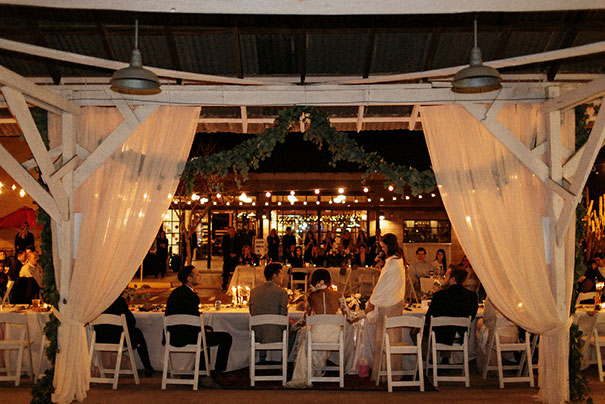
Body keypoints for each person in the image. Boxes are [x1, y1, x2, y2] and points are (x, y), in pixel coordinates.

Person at [165, 265, 233, 385]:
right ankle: (218, 371)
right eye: (197, 274)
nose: (200, 276)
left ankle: (202, 368)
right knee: (226, 338)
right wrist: (202, 329)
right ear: (189, 278)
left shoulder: (175, 292)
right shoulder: (191, 296)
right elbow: (193, 319)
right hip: (187, 335)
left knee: (208, 330)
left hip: (173, 335)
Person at [287, 268, 344, 388]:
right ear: (328, 281)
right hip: (334, 337)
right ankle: (318, 369)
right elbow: (350, 316)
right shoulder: (338, 295)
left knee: (305, 336)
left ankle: (308, 373)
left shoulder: (311, 296)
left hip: (316, 337)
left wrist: (293, 326)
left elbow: (304, 320)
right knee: (308, 334)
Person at [364, 233, 406, 382]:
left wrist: (371, 302)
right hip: (396, 303)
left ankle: (383, 374)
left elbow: (381, 286)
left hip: (387, 306)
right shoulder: (399, 261)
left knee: (383, 340)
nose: (382, 249)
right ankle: (393, 373)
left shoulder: (392, 263)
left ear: (388, 246)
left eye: (383, 247)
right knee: (394, 338)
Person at [94, 294, 155, 377]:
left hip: (100, 338)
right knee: (137, 334)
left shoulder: (97, 301)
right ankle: (147, 367)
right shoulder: (119, 301)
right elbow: (131, 322)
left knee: (135, 333)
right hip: (117, 339)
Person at [425, 266, 479, 345]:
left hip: (440, 334)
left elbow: (429, 318)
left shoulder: (440, 295)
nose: (444, 278)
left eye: (446, 275)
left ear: (452, 279)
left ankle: (427, 353)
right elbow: (472, 315)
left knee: (416, 332)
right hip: (461, 333)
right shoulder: (472, 296)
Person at [249, 263, 288, 361]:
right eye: (281, 274)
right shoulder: (282, 292)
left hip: (257, 333)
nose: (283, 277)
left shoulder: (254, 292)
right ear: (275, 276)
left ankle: (262, 358)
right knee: (295, 329)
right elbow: (283, 318)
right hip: (274, 334)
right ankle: (284, 360)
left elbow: (252, 312)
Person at [475, 298, 519, 373]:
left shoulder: (491, 298)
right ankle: (506, 360)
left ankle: (488, 365)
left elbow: (486, 320)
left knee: (481, 326)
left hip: (497, 337)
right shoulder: (514, 298)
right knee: (486, 330)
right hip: (514, 336)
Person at [221, 227, 241, 291]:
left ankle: (235, 284)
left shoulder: (238, 238)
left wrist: (236, 254)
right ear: (228, 231)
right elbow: (223, 247)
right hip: (227, 257)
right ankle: (225, 284)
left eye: (233, 231)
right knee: (226, 271)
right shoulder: (225, 238)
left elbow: (239, 247)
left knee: (235, 271)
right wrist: (229, 253)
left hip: (235, 256)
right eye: (230, 231)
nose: (232, 232)